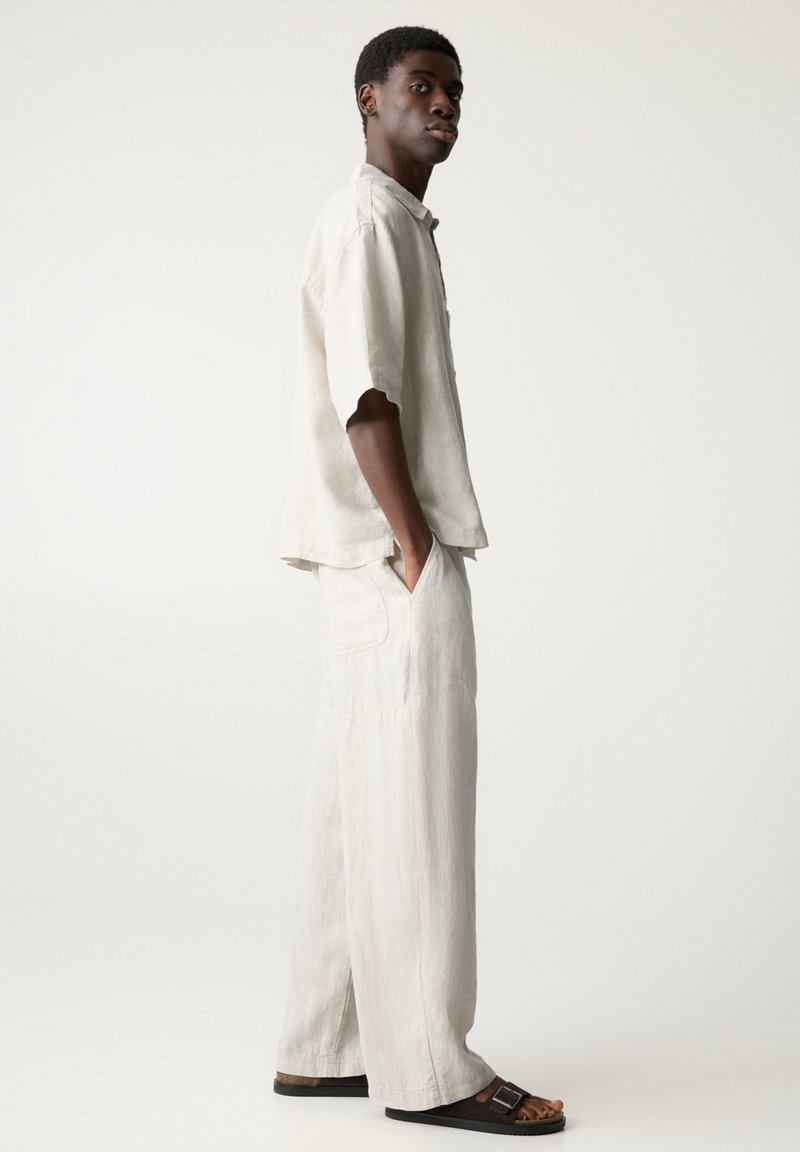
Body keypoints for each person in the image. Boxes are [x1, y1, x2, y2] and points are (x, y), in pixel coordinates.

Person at [273, 25, 566, 1136]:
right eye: (422, 86)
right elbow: (366, 397)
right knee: (419, 813)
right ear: (369, 99)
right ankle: (433, 1070)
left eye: (454, 91)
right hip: (390, 555)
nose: (444, 105)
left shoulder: (392, 220)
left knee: (358, 804)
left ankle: (326, 1046)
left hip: (365, 559)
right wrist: (414, 545)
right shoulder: (365, 222)